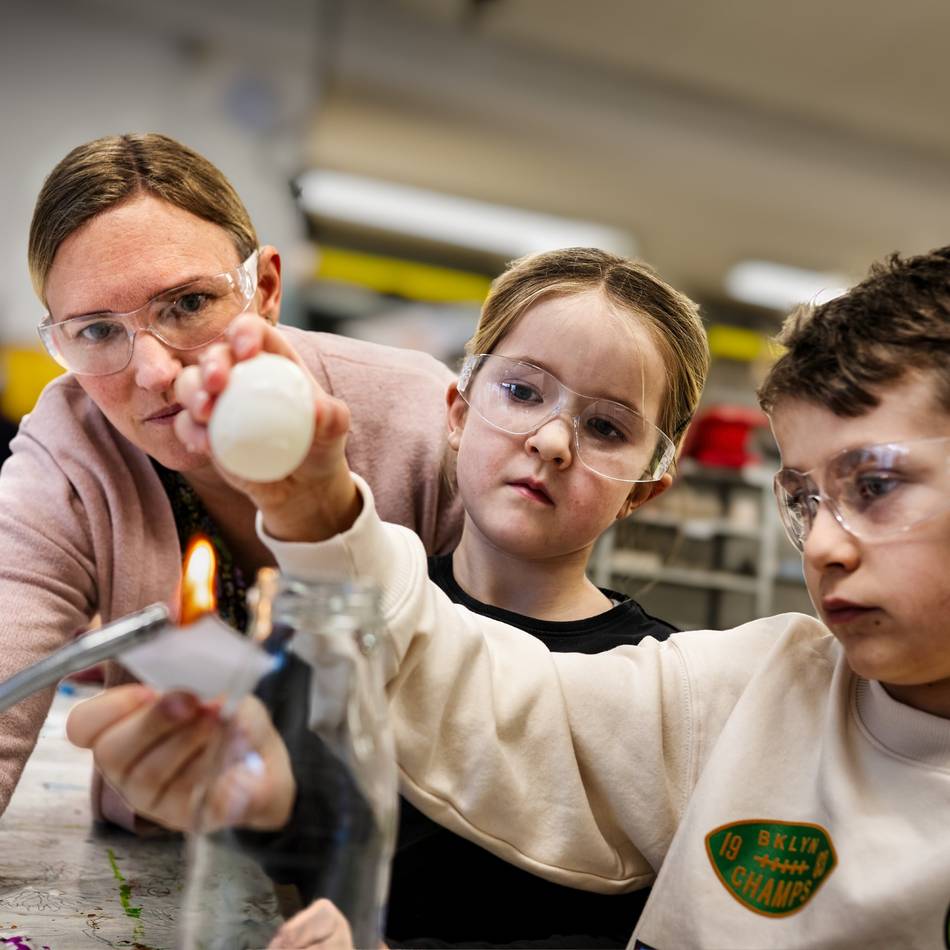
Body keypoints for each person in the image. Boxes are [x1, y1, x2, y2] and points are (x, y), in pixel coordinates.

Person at [70, 244, 950, 948]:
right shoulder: (760, 688)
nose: (827, 545)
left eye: (874, 487)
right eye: (807, 498)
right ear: (457, 408)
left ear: (651, 482)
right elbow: (480, 699)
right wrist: (313, 501)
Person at [0, 132, 464, 829]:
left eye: (187, 305)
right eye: (96, 332)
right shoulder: (70, 448)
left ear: (265, 289)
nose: (154, 373)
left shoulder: (421, 422)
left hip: (396, 868)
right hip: (175, 860)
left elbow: (498, 728)